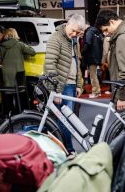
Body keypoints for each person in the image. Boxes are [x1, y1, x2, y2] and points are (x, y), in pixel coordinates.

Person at [44, 14, 85, 154]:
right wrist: (55, 90)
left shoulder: (73, 40)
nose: (75, 34)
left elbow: (77, 63)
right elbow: (50, 65)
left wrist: (79, 84)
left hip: (72, 85)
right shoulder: (56, 38)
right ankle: (68, 151)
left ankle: (64, 150)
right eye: (73, 30)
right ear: (68, 23)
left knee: (69, 120)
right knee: (64, 121)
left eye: (78, 33)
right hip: (63, 85)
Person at [0, 28, 36, 113]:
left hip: (6, 74)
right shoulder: (20, 44)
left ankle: (9, 114)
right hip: (19, 72)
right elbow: (33, 52)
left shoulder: (2, 46)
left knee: (8, 94)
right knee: (20, 93)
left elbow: (0, 60)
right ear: (15, 34)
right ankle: (20, 113)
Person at [82, 26, 104, 98]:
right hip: (97, 56)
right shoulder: (98, 33)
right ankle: (98, 90)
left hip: (91, 56)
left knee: (92, 75)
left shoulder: (89, 32)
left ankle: (96, 92)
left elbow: (87, 43)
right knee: (94, 75)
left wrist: (83, 52)